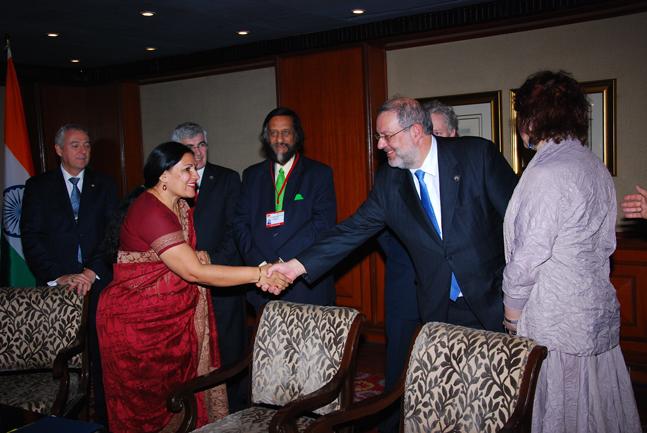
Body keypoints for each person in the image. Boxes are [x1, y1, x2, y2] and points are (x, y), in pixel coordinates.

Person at [270, 96, 517, 332]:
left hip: (494, 300)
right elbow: (353, 229)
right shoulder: (390, 181)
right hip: (439, 307)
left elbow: (519, 223)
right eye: (379, 136)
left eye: (386, 136)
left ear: (416, 131)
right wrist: (296, 266)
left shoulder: (477, 156)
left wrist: (520, 295)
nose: (379, 144)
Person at [96, 142, 289, 433]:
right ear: (163, 176)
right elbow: (194, 270)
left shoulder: (179, 206)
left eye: (194, 168)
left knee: (178, 398)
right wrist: (260, 273)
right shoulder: (151, 210)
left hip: (170, 324)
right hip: (138, 329)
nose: (195, 175)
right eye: (186, 169)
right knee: (148, 412)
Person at [502, 70, 641, 433]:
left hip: (557, 313)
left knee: (561, 410)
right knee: (596, 409)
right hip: (593, 305)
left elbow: (528, 254)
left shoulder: (548, 173)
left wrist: (512, 316)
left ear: (530, 119)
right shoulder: (592, 165)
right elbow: (605, 244)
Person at [20, 123, 118, 427]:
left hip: (98, 284)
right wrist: (60, 276)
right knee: (61, 360)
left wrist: (92, 271)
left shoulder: (105, 184)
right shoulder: (38, 186)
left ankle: (102, 420)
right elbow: (31, 238)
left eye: (87, 145)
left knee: (102, 358)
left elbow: (113, 235)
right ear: (59, 150)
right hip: (57, 290)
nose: (83, 151)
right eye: (75, 145)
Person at [377, 98, 461, 433]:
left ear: (451, 135)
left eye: (438, 133)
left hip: (454, 297)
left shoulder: (468, 168)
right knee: (397, 366)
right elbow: (373, 227)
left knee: (448, 369)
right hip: (404, 281)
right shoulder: (394, 174)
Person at [171, 122, 247, 412]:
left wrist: (206, 263)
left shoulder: (227, 179)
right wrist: (187, 267)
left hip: (222, 278)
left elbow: (235, 230)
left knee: (230, 348)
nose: (198, 152)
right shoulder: (169, 181)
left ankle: (237, 409)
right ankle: (196, 409)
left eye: (202, 145)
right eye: (190, 147)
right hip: (182, 282)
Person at [233, 107, 337, 310]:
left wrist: (282, 262)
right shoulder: (251, 175)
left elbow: (322, 224)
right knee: (267, 342)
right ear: (266, 138)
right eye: (273, 133)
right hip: (263, 283)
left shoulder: (319, 174)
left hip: (306, 284)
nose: (279, 138)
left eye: (286, 132)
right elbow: (240, 224)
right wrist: (263, 267)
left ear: (297, 136)